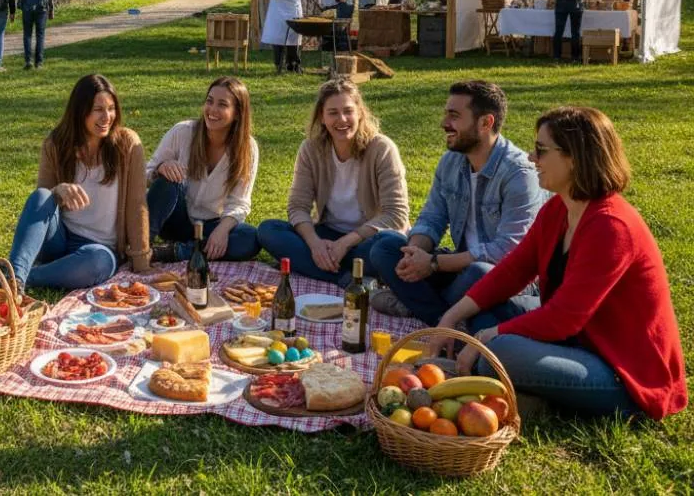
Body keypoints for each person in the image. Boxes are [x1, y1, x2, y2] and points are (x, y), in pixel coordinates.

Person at [433, 107, 686, 420]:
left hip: (621, 372)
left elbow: (564, 318)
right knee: (483, 313)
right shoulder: (557, 210)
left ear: (575, 157)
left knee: (496, 352)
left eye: (541, 150)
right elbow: (511, 272)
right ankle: (531, 388)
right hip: (576, 342)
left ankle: (533, 391)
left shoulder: (611, 226)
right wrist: (450, 316)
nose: (531, 158)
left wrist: (489, 337)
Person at [367, 80, 544, 323]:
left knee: (479, 273)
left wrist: (433, 263)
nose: (444, 123)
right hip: (457, 268)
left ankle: (422, 308)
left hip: (503, 279)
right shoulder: (451, 162)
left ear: (485, 123)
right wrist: (414, 254)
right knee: (384, 245)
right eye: (446, 114)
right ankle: (447, 315)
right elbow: (432, 218)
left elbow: (507, 253)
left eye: (454, 116)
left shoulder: (519, 173)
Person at [258, 78, 409, 284]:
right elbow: (297, 206)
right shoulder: (311, 149)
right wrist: (315, 245)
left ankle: (315, 265)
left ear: (360, 113)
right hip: (328, 234)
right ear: (322, 117)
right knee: (269, 230)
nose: (342, 119)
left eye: (348, 111)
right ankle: (345, 277)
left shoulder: (382, 149)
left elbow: (396, 215)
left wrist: (345, 244)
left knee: (391, 245)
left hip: (367, 238)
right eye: (333, 113)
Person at [7, 74, 150, 291]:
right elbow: (41, 206)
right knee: (42, 196)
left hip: (99, 249)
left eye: (111, 108)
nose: (107, 117)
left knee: (98, 263)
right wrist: (58, 191)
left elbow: (137, 203)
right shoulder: (56, 144)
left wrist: (140, 260)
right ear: (80, 111)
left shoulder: (127, 144)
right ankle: (15, 277)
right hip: (59, 240)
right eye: (98, 109)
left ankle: (18, 278)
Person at [146, 77, 261, 263]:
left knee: (249, 238)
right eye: (209, 101)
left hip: (210, 225)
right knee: (167, 182)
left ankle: (174, 253)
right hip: (175, 218)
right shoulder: (182, 132)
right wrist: (160, 167)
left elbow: (240, 203)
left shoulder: (247, 148)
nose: (212, 110)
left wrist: (222, 231)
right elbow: (146, 173)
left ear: (238, 113)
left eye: (222, 104)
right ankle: (142, 248)